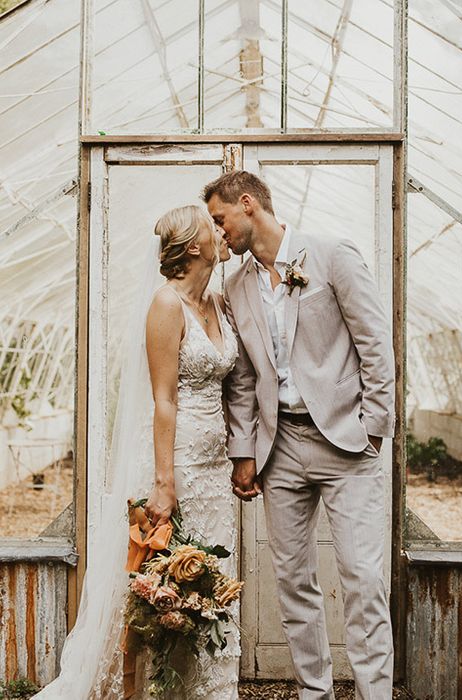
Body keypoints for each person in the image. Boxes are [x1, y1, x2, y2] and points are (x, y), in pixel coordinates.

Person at [35, 205, 240, 699]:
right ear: (194, 247)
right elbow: (164, 399)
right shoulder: (166, 305)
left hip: (216, 467)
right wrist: (165, 482)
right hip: (180, 464)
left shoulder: (216, 300)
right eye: (213, 225)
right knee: (172, 586)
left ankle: (212, 691)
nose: (222, 229)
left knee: (213, 584)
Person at [204, 171, 395, 700]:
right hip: (279, 448)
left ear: (247, 206)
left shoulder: (331, 254)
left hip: (347, 445)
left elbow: (376, 345)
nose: (218, 234)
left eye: (221, 220)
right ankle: (316, 692)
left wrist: (374, 429)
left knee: (362, 581)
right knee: (293, 583)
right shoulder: (236, 285)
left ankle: (374, 694)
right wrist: (244, 452)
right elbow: (243, 377)